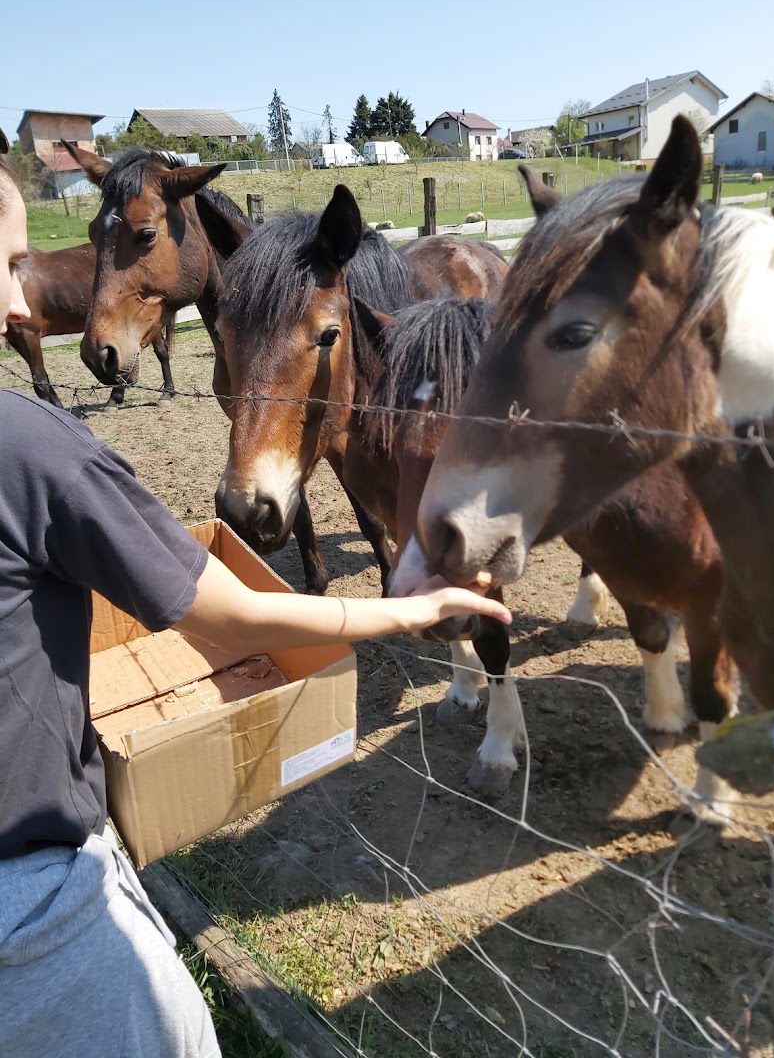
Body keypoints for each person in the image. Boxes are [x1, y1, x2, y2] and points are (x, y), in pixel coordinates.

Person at [0, 137, 510, 1058]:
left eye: (17, 267)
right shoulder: (28, 446)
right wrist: (396, 610)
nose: (23, 298)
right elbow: (211, 608)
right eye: (6, 266)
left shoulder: (31, 444)